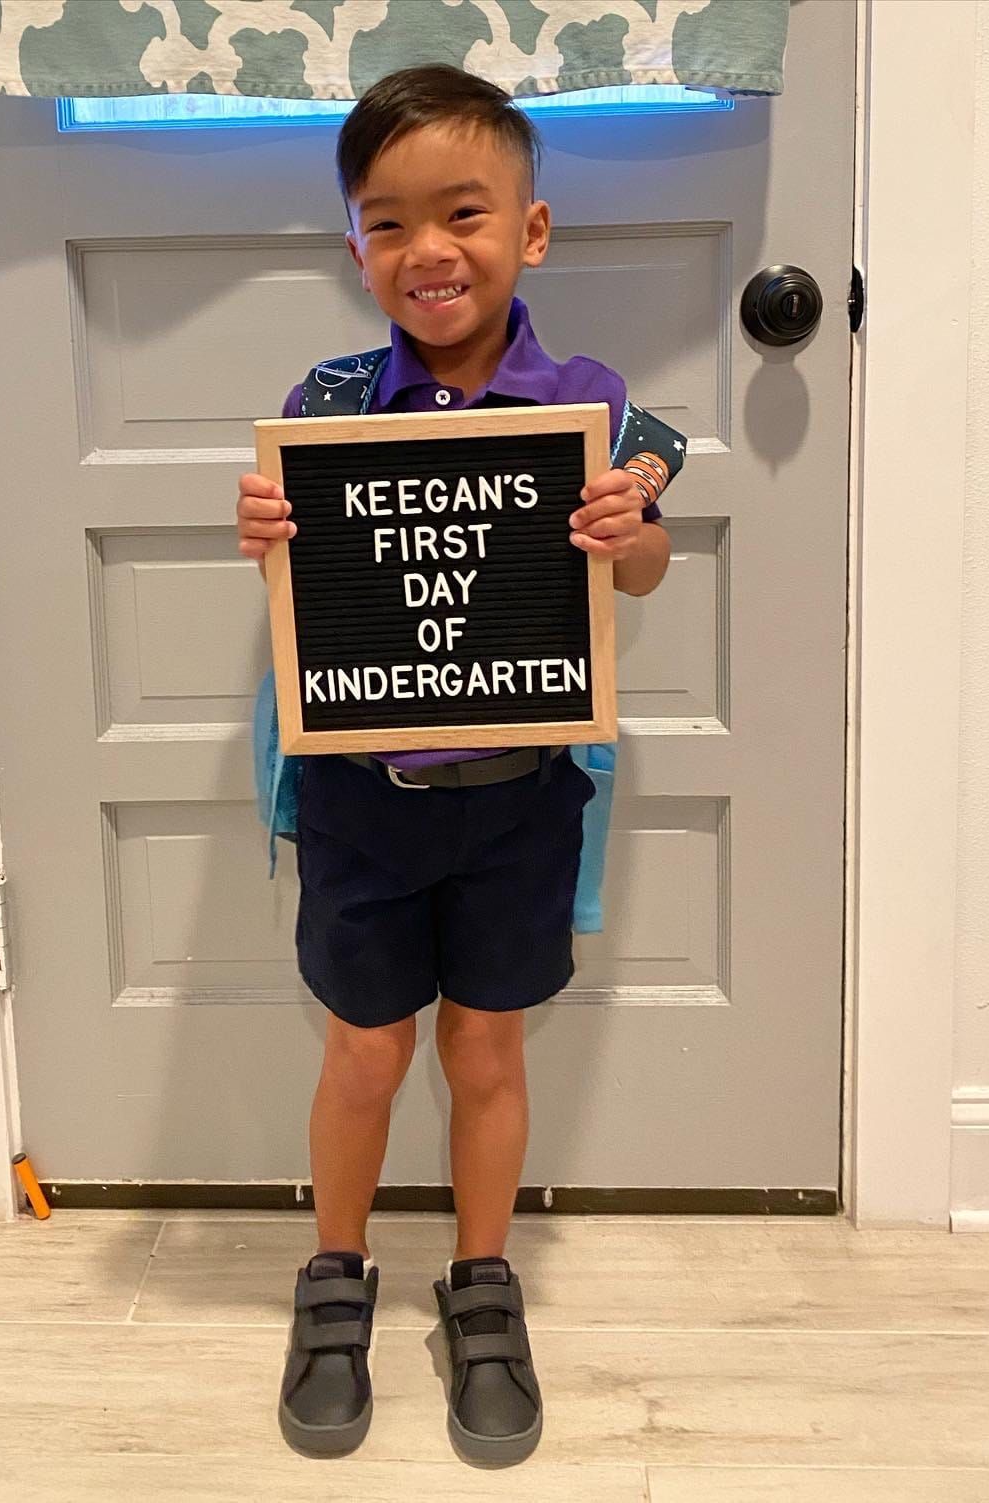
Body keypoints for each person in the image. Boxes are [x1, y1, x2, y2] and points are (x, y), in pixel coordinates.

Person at [236, 64, 681, 1466]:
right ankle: (336, 1274)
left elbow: (653, 570)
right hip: (368, 801)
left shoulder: (595, 408)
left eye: (464, 214)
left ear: (530, 233)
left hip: (520, 801)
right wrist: (267, 523)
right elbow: (302, 588)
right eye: (387, 224)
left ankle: (483, 1283)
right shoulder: (323, 400)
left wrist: (629, 534)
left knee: (486, 1046)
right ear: (356, 249)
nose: (429, 249)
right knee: (365, 1049)